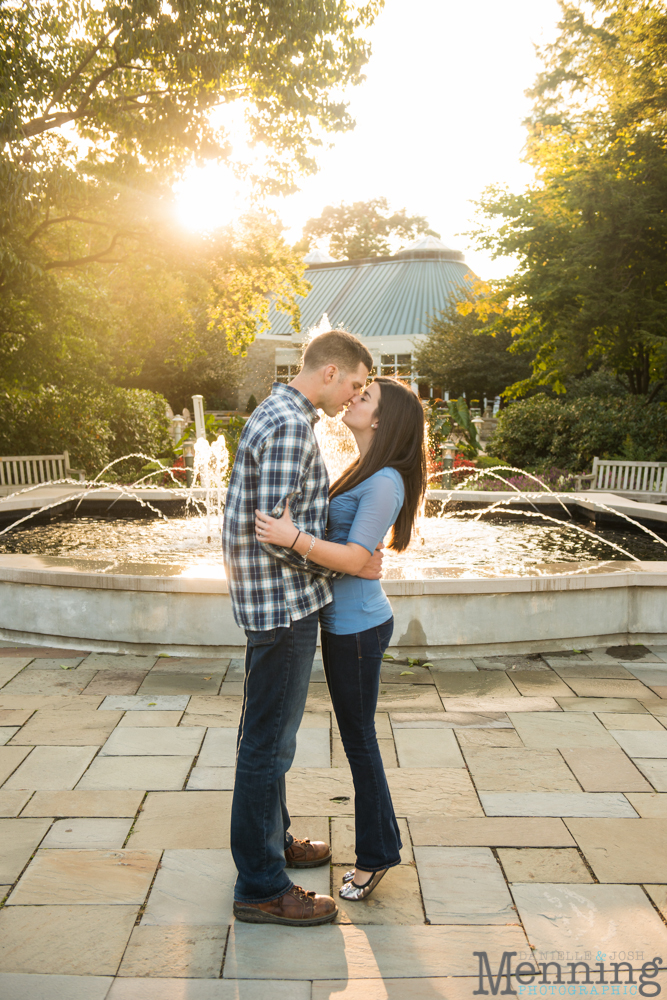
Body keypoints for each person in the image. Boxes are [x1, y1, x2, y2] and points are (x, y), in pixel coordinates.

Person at [222, 329, 384, 927]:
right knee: (268, 744)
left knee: (267, 739)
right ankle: (262, 885)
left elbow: (281, 524)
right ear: (330, 371)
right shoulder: (291, 424)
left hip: (278, 603)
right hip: (284, 606)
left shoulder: (282, 412)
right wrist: (342, 557)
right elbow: (275, 530)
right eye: (356, 384)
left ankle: (274, 840)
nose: (355, 397)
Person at [255, 376, 427, 903]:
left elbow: (355, 558)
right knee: (357, 739)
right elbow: (356, 555)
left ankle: (377, 857)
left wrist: (293, 539)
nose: (355, 397)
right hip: (341, 623)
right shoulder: (363, 469)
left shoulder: (385, 482)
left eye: (366, 396)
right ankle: (368, 848)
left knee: (359, 742)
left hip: (357, 630)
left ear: (382, 419)